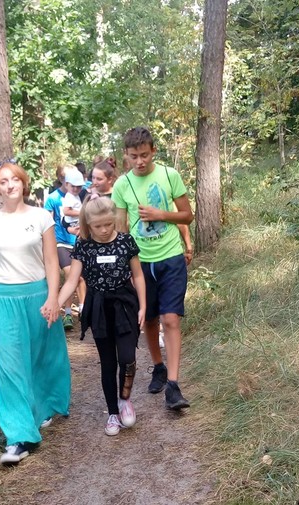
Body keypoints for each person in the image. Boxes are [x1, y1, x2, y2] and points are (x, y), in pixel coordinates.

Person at [0, 160, 71, 465]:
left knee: (40, 357)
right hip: (1, 300)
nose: (10, 185)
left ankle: (41, 407)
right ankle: (19, 437)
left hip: (37, 296)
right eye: (3, 181)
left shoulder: (41, 217)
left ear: (24, 183)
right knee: (10, 366)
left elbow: (51, 261)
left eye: (14, 179)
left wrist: (53, 298)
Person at [111, 127, 194, 410]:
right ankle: (158, 366)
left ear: (153, 151)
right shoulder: (122, 185)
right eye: (134, 156)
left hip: (171, 257)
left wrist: (162, 214)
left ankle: (173, 385)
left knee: (171, 319)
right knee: (149, 319)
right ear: (126, 154)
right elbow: (121, 228)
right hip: (140, 262)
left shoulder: (169, 175)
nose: (140, 161)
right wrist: (123, 264)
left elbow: (187, 215)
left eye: (144, 155)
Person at [56, 195, 146, 435]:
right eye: (98, 226)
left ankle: (125, 399)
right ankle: (113, 413)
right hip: (98, 307)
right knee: (107, 363)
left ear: (114, 219)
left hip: (125, 304)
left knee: (127, 358)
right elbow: (72, 280)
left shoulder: (126, 241)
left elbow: (137, 275)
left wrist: (143, 306)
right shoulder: (83, 245)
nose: (104, 230)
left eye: (108, 224)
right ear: (88, 224)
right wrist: (56, 303)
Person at [44, 166, 80, 329]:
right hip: (60, 241)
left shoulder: (80, 195)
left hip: (78, 240)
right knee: (69, 273)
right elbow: (47, 222)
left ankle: (81, 309)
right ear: (61, 179)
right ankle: (67, 313)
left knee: (80, 278)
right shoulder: (53, 198)